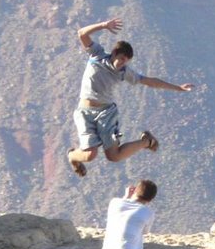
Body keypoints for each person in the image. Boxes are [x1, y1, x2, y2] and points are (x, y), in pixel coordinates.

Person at [67, 18, 196, 177]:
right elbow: (81, 34)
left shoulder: (124, 72)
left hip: (105, 113)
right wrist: (103, 26)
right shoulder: (97, 55)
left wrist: (177, 88)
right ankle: (72, 156)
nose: (123, 63)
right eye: (121, 59)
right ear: (114, 53)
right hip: (85, 112)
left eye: (126, 61)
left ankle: (146, 142)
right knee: (89, 155)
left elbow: (149, 81)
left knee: (114, 156)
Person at [99, 180, 181, 249]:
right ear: (151, 199)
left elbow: (123, 210)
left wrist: (126, 197)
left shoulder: (115, 203)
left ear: (134, 191)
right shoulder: (147, 212)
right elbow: (145, 232)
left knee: (118, 236)